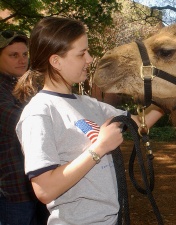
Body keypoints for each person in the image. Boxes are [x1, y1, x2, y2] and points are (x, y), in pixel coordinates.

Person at [13, 17, 163, 224]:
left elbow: (137, 122)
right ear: (56, 61)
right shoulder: (39, 112)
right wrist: (99, 148)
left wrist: (168, 101)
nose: (90, 59)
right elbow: (44, 189)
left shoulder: (89, 104)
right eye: (82, 53)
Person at [0, 29, 49, 225]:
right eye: (13, 55)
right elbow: (24, 122)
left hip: (41, 187)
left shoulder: (27, 87)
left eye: (25, 54)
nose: (22, 60)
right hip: (13, 192)